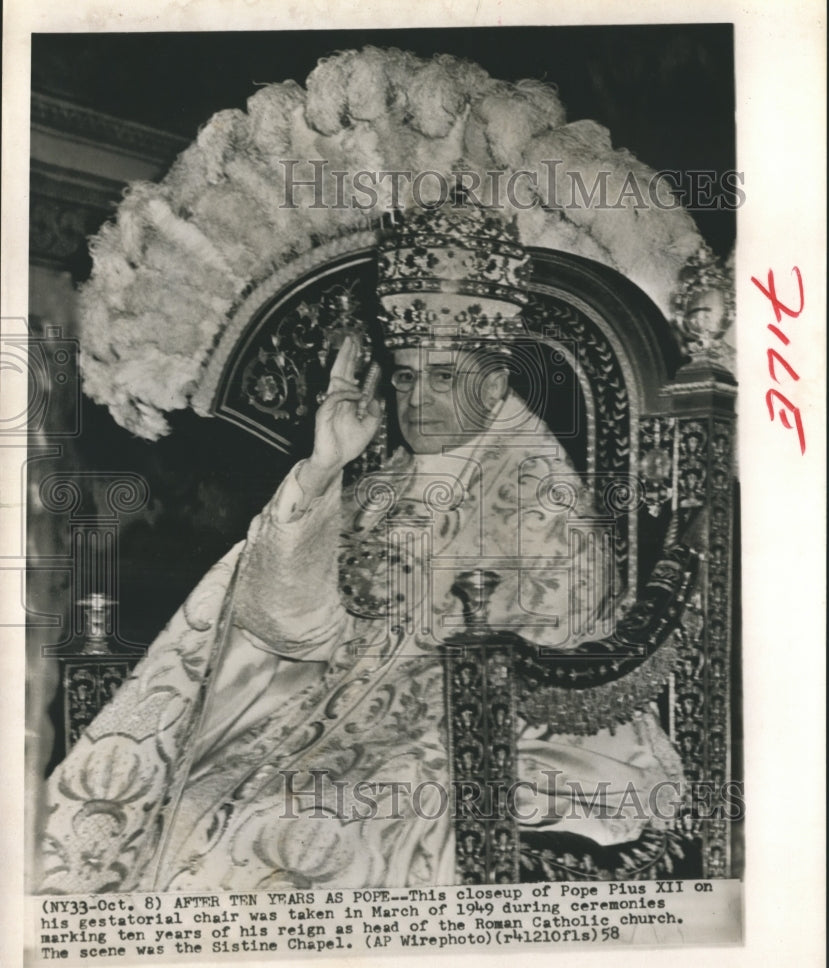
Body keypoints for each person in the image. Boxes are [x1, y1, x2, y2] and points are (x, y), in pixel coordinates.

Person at [38, 205, 684, 894]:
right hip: (323, 728)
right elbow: (286, 624)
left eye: (442, 377)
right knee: (195, 794)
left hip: (494, 733)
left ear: (494, 384)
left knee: (296, 816)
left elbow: (554, 660)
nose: (416, 399)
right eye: (404, 377)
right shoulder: (376, 491)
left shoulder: (544, 500)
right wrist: (322, 468)